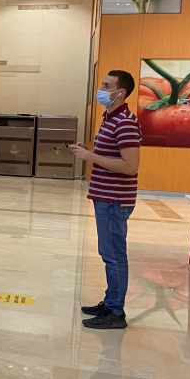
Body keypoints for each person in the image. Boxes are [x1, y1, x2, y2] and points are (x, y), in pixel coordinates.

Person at [69, 70, 142, 330]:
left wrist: (91, 157)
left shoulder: (125, 122)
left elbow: (130, 166)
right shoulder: (110, 118)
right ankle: (110, 301)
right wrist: (89, 152)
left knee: (114, 256)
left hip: (114, 200)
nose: (101, 88)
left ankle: (115, 311)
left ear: (120, 92)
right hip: (105, 198)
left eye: (107, 85)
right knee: (108, 253)